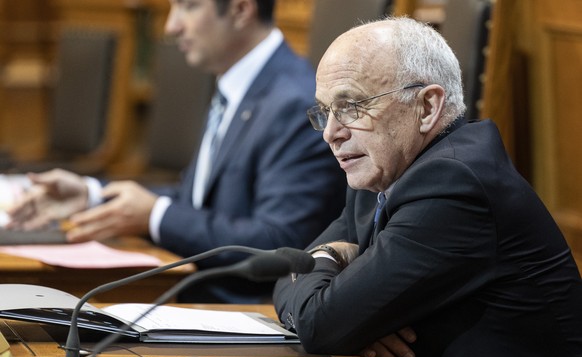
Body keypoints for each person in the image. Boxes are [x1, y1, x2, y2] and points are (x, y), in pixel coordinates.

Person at [273, 17, 582, 357]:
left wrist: (337, 293)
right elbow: (291, 277)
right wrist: (351, 319)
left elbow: (318, 322)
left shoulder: (455, 185)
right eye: (325, 111)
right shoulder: (379, 170)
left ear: (427, 106)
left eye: (351, 106)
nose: (330, 133)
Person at [6, 0, 346, 304]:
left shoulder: (293, 101)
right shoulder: (240, 85)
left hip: (242, 309)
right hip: (195, 294)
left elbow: (280, 243)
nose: (171, 26)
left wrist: (156, 215)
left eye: (188, 6)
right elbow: (196, 201)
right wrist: (93, 195)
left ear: (241, 9)